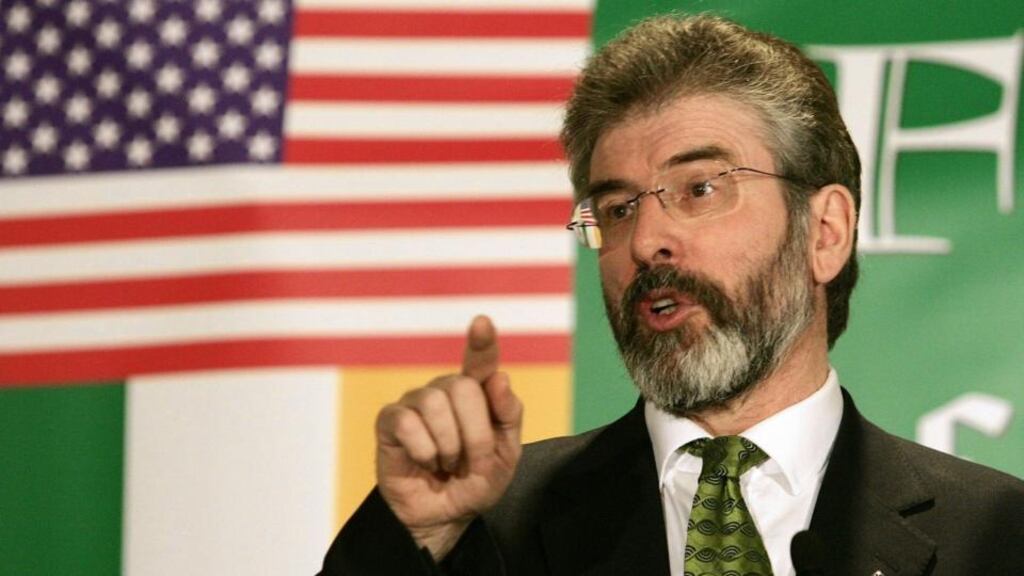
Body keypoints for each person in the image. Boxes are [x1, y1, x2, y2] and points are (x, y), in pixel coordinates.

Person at [318, 14, 1024, 576]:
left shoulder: (996, 535)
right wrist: (416, 532)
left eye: (700, 189)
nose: (647, 238)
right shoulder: (492, 527)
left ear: (826, 231)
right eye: (617, 208)